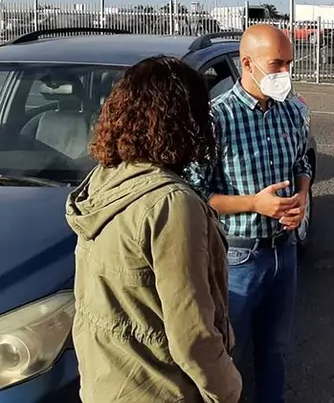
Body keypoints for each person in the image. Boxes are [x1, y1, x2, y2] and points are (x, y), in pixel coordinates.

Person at [66, 55, 242, 402]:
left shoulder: (107, 178)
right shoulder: (171, 203)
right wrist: (230, 390)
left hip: (108, 383)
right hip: (159, 389)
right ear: (184, 120)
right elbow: (192, 337)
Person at [187, 24, 312, 403]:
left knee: (275, 351)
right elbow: (194, 193)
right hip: (238, 258)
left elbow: (301, 161)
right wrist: (253, 204)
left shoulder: (291, 111)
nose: (285, 73)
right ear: (248, 63)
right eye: (277, 64)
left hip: (283, 251)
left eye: (289, 64)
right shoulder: (216, 119)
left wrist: (302, 196)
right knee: (229, 355)